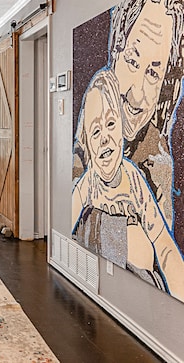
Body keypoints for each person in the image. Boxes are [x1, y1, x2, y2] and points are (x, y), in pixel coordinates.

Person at [72, 70, 184, 300]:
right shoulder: (89, 182)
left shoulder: (133, 178)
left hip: (143, 279)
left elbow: (162, 242)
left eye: (111, 123)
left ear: (123, 129)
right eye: (95, 131)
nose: (104, 137)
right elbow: (70, 219)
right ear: (88, 148)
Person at [108, 0, 184, 233]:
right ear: (116, 52)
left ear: (165, 85)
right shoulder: (90, 130)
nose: (137, 94)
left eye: (153, 73)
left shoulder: (155, 166)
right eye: (132, 60)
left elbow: (157, 259)